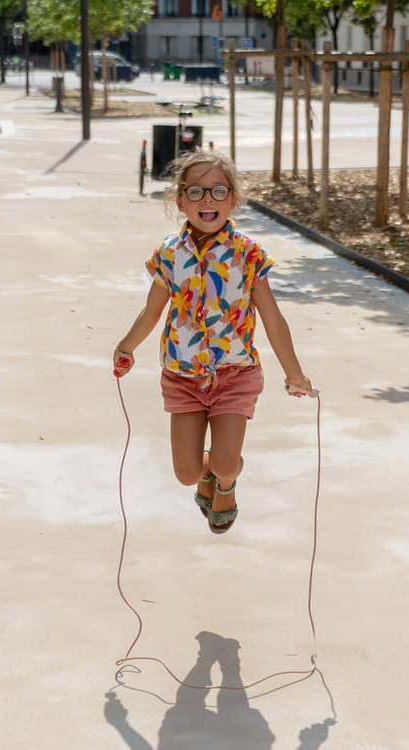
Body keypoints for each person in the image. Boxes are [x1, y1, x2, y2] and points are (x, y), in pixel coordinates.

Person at [113, 150, 313, 534]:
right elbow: (152, 311)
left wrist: (294, 372)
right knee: (187, 474)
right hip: (183, 377)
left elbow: (272, 317)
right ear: (180, 202)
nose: (208, 199)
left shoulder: (248, 254)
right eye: (197, 191)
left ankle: (226, 481)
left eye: (219, 191)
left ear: (233, 200)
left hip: (235, 375)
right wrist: (126, 347)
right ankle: (207, 479)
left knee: (223, 462)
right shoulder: (169, 253)